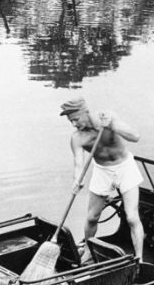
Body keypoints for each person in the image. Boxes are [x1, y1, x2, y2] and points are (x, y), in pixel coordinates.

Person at [60, 97, 144, 263]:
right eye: (71, 121)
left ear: (85, 112)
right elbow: (78, 163)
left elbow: (135, 136)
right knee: (91, 217)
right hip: (102, 171)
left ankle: (139, 258)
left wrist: (113, 125)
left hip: (125, 167)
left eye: (75, 119)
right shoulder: (77, 138)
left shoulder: (107, 117)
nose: (74, 124)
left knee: (132, 217)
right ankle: (89, 250)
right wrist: (77, 180)